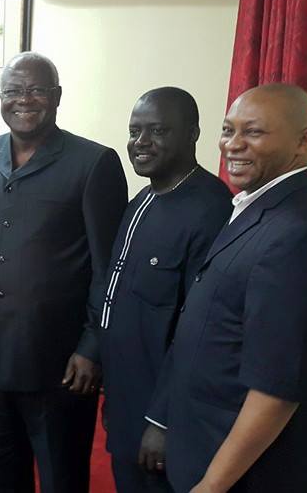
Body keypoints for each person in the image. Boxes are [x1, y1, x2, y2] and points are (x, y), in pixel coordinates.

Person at [148, 84, 307, 492]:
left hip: (246, 475)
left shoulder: (299, 232)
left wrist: (211, 486)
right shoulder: (258, 204)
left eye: (253, 132)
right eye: (228, 130)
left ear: (304, 141)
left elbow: (276, 390)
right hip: (203, 443)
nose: (232, 144)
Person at [0, 51, 129, 492]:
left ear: (57, 96)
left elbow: (109, 269)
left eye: (36, 90)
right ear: (0, 97)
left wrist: (92, 348)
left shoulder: (94, 163)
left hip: (59, 365)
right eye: (12, 90)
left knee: (61, 480)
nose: (23, 100)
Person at [92, 87, 231, 493]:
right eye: (134, 131)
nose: (141, 142)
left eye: (158, 131)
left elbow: (200, 331)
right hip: (127, 398)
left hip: (167, 414)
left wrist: (162, 420)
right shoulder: (143, 199)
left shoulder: (211, 209)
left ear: (192, 134)